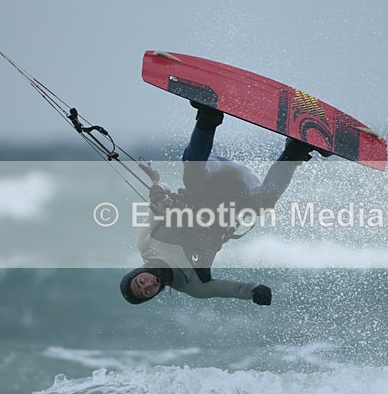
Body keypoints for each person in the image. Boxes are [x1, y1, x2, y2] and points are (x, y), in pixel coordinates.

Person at [120, 101, 325, 306]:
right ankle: (296, 150)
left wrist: (159, 194)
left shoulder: (147, 244)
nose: (148, 285)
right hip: (240, 191)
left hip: (211, 171)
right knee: (261, 204)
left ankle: (208, 116)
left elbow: (162, 191)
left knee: (193, 179)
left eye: (140, 282)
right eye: (147, 292)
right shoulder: (194, 285)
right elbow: (235, 289)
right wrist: (254, 291)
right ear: (154, 295)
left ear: (136, 273)